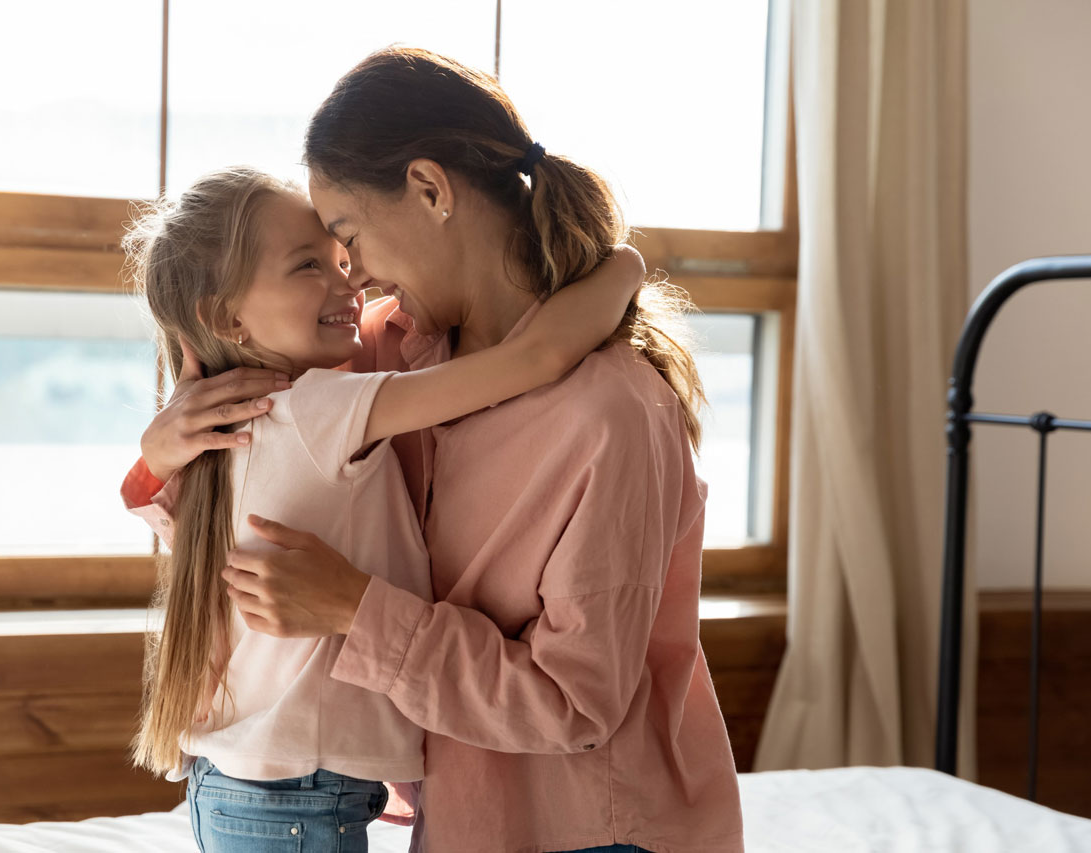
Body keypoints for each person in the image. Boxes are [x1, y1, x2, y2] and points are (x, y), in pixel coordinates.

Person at [125, 47, 744, 853]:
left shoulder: (612, 415)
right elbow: (249, 494)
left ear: (429, 188)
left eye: (348, 238)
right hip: (453, 819)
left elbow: (576, 705)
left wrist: (354, 607)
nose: (358, 276)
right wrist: (159, 456)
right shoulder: (383, 348)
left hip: (589, 828)